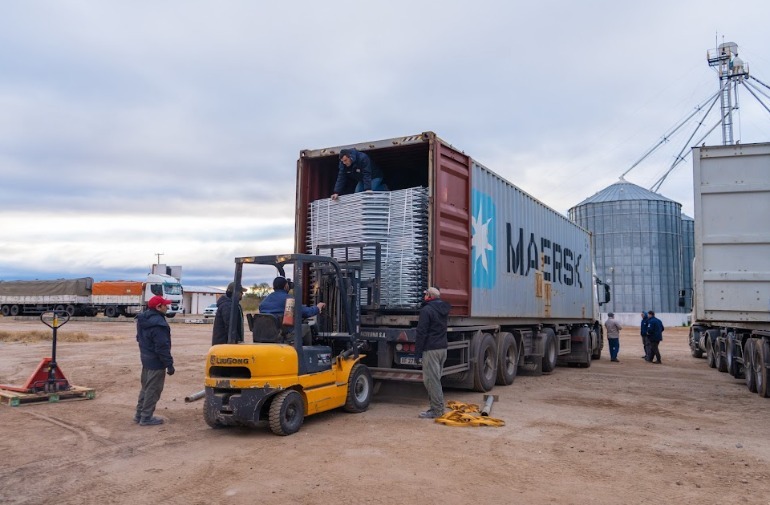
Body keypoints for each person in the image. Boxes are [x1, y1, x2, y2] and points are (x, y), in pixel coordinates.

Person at [134, 295, 175, 426]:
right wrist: (169, 364)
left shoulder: (143, 319)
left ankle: (139, 415)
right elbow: (162, 347)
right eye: (165, 305)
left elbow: (138, 338)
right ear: (158, 307)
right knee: (153, 390)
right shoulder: (159, 324)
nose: (167, 307)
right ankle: (146, 417)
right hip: (156, 362)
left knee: (145, 388)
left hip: (146, 359)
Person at [415, 287, 451, 419]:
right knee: (435, 379)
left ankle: (437, 411)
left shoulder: (427, 310)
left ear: (430, 296)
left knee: (431, 380)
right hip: (442, 348)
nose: (424, 296)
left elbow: (421, 332)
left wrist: (418, 353)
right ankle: (436, 408)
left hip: (431, 350)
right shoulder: (443, 309)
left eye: (425, 294)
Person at [259, 276, 325, 319]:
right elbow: (305, 312)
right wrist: (318, 307)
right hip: (284, 333)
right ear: (286, 286)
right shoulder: (289, 300)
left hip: (266, 334)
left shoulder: (263, 302)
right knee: (306, 327)